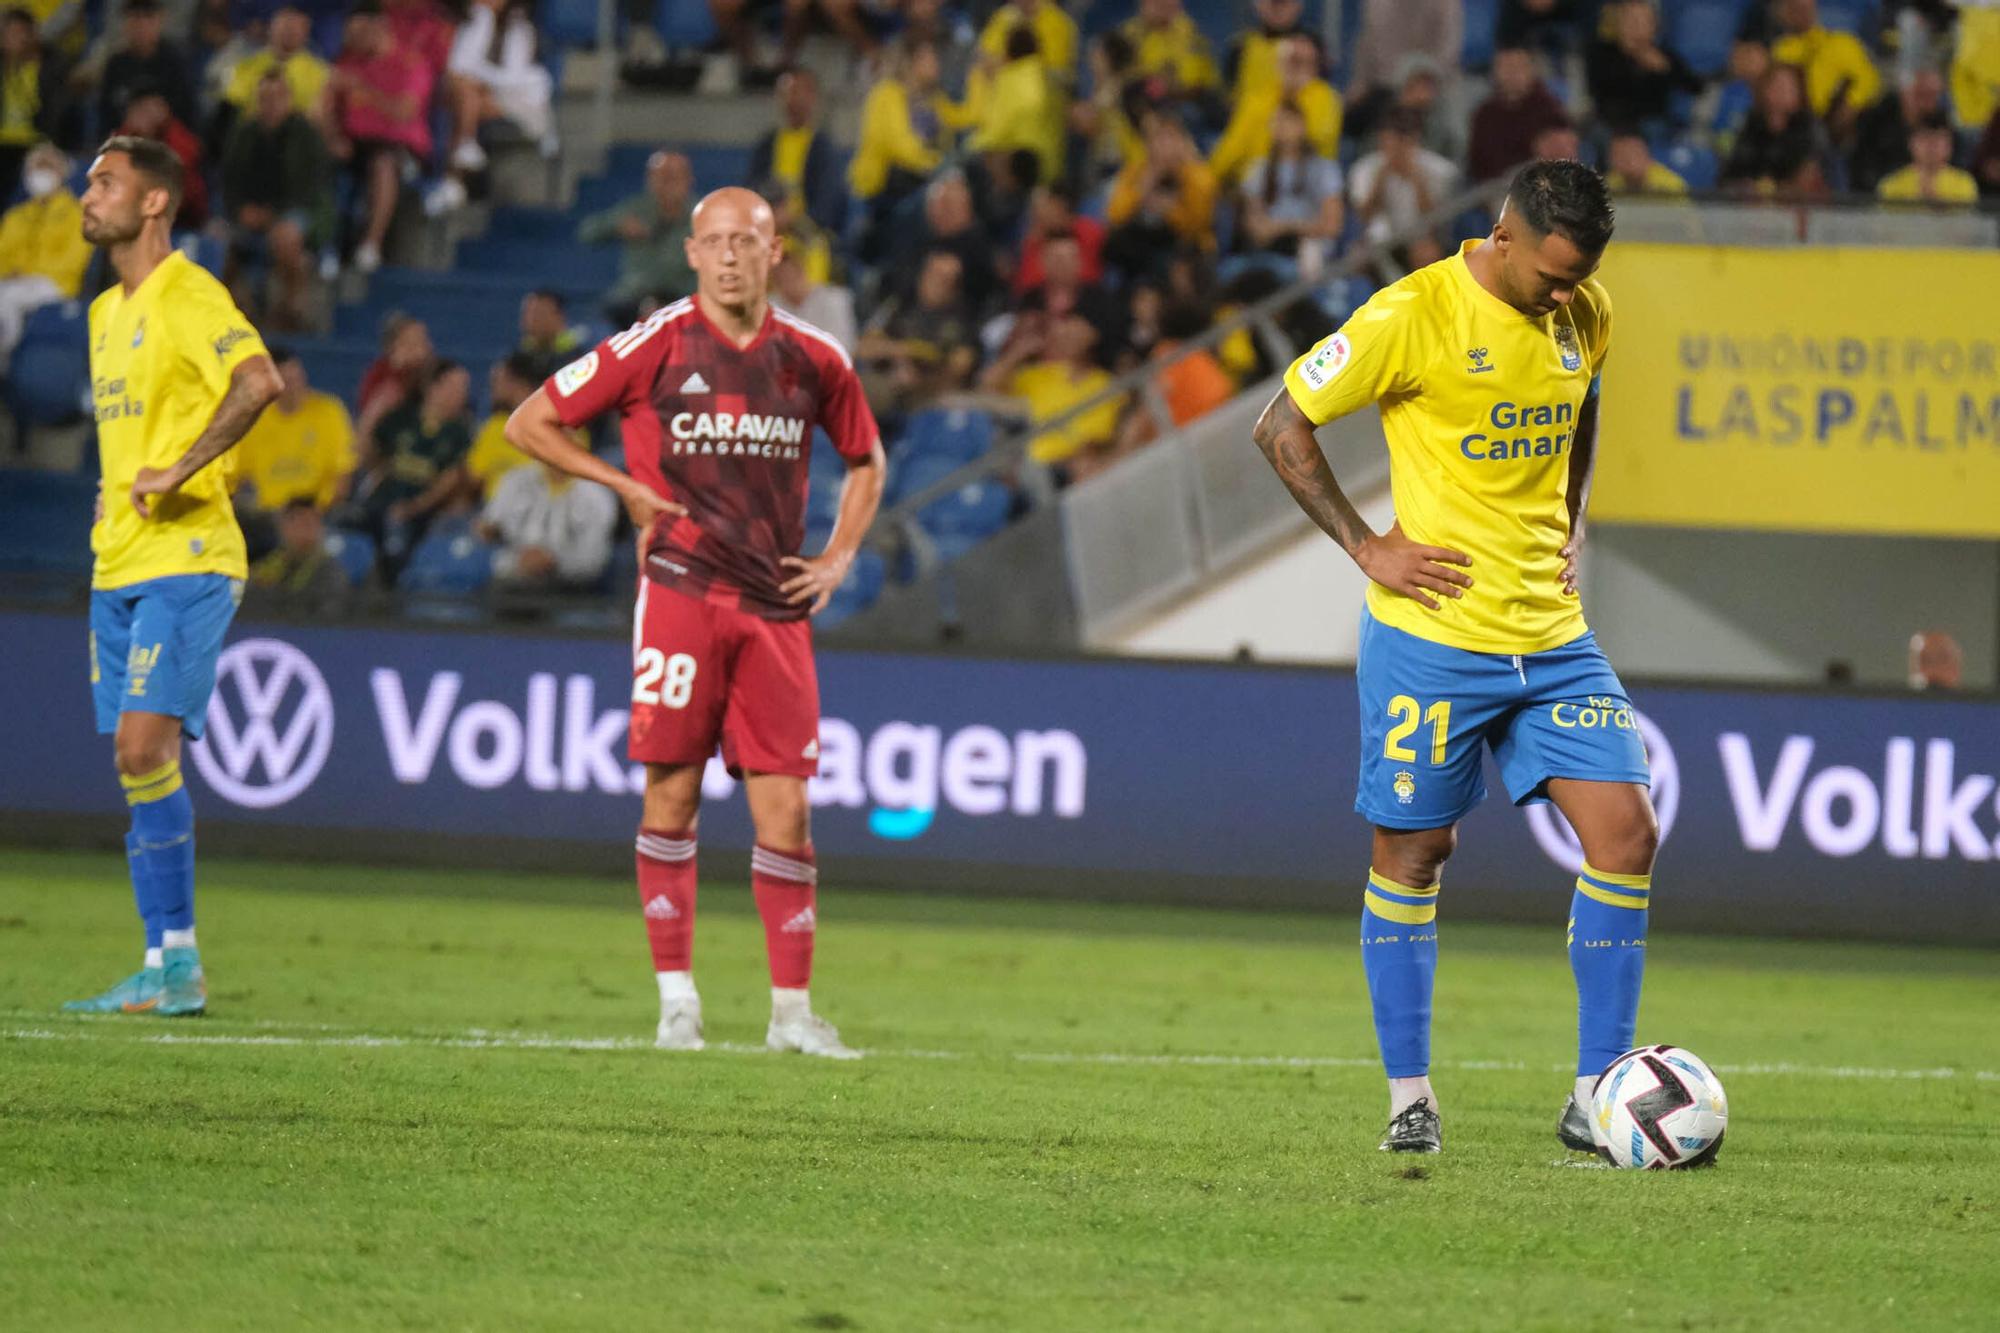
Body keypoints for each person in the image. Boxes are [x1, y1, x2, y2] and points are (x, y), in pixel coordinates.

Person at [1249, 160, 1654, 1156]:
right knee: (1414, 853)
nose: (1564, 295)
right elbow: (1279, 424)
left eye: (1577, 280)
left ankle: (1595, 1090)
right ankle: (1409, 1097)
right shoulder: (1409, 314)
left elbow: (1583, 400)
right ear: (1501, 236)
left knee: (1625, 833)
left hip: (1550, 637)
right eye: (1550, 275)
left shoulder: (1583, 310)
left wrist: (1574, 512)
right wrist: (1366, 545)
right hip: (1430, 641)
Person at [504, 186, 887, 1057]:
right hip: (680, 595)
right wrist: (622, 488)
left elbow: (866, 459)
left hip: (776, 607)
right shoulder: (657, 342)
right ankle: (677, 1001)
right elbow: (531, 422)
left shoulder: (813, 356)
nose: (727, 256)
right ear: (689, 252)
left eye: (744, 241)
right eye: (712, 241)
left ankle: (792, 1015)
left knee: (786, 813)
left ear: (772, 250)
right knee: (671, 795)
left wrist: (837, 558)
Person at [67, 134, 282, 1017]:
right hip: (116, 560)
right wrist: (110, 498)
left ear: (155, 202)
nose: (88, 195)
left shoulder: (191, 292)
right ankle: (163, 961)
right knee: (138, 765)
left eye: (106, 183)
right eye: (89, 182)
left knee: (140, 747)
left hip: (190, 558)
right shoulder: (102, 313)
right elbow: (128, 439)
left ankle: (180, 962)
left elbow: (259, 380)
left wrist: (180, 471)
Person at [322, 2, 435, 274]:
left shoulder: (411, 63)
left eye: (360, 34)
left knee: (383, 163)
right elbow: (325, 108)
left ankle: (371, 245)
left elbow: (404, 112)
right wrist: (333, 137)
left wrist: (363, 89)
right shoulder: (347, 62)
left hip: (400, 147)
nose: (354, 41)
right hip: (354, 144)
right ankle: (324, 248)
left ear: (379, 28)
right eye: (351, 35)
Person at [219, 67, 332, 329]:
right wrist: (240, 210)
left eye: (277, 97)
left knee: (286, 237)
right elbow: (229, 181)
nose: (270, 105)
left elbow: (310, 188)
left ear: (288, 99)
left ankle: (290, 309)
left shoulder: (307, 135)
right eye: (264, 98)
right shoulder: (244, 134)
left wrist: (271, 214)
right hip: (246, 213)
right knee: (216, 240)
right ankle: (236, 312)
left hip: (297, 211)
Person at [338, 358, 473, 573]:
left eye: (463, 388)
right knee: (343, 527)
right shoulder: (402, 418)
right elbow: (368, 456)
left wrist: (413, 508)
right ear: (432, 387)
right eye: (454, 386)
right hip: (380, 502)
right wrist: (374, 412)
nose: (461, 394)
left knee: (396, 541)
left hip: (422, 515)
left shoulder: (460, 432)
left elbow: (449, 481)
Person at [1207, 32, 1340, 190]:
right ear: (1279, 62)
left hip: (1305, 187)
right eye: (1291, 60)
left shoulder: (1326, 98)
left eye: (1303, 62)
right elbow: (1231, 148)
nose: (1295, 68)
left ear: (1317, 66)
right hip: (1253, 186)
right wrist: (1209, 177)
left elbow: (1310, 143)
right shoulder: (1257, 98)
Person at [577, 148, 695, 324]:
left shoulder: (702, 215)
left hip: (681, 298)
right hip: (633, 298)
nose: (666, 185)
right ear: (649, 180)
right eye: (660, 178)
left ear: (688, 180)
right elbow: (586, 232)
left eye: (673, 178)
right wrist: (617, 226)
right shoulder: (637, 209)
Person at [857, 247, 980, 413]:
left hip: (930, 392)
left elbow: (960, 366)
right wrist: (900, 352)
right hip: (889, 380)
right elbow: (863, 348)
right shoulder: (900, 304)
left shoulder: (962, 319)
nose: (932, 281)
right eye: (930, 273)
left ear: (954, 286)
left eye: (943, 278)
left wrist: (921, 372)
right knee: (855, 385)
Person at [0, 141, 90, 365]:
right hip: (14, 282)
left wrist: (28, 272)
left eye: (47, 167)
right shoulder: (16, 216)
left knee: (6, 299)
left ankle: (5, 364)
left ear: (61, 173)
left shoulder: (76, 214)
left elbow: (73, 260)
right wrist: (9, 272)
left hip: (56, 283)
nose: (41, 173)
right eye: (36, 168)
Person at [234, 345, 353, 515]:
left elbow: (344, 474)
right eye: (287, 381)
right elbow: (235, 477)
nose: (295, 387)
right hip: (269, 515)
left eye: (297, 378)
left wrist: (318, 512)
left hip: (318, 514)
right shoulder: (255, 419)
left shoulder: (329, 411)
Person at [477, 457, 619, 589]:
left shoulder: (596, 493)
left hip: (572, 590)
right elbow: (486, 528)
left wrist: (554, 560)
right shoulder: (516, 480)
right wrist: (516, 558)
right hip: (511, 584)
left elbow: (595, 559)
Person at [1237, 101, 1345, 276]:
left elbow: (1332, 225)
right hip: (1270, 245)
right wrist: (1263, 229)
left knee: (1308, 254)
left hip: (1308, 244)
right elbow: (1252, 217)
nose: (1281, 127)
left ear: (1301, 126)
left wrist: (1284, 226)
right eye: (1276, 121)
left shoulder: (1323, 169)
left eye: (1288, 121)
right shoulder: (1259, 169)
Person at [1349, 108, 1459, 275]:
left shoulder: (1439, 169)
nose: (1394, 149)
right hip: (1379, 236)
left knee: (1427, 253)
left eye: (1401, 142)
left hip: (1422, 236)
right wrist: (1380, 180)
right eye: (1388, 142)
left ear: (1414, 140)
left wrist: (1417, 181)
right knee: (1359, 256)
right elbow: (1364, 217)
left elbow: (1438, 222)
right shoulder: (1365, 168)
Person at [748, 66, 846, 238]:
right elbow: (751, 191)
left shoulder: (823, 148)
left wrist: (794, 221)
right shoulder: (766, 145)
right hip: (768, 234)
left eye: (799, 92)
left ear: (814, 97)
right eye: (788, 92)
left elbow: (826, 206)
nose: (793, 99)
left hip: (808, 240)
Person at [1586, 0, 1703, 134]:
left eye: (1641, 21)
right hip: (1611, 125)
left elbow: (1695, 87)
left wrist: (1666, 69)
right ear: (1619, 24)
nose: (1634, 26)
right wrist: (1633, 55)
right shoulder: (1601, 53)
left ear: (1654, 26)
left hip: (1654, 125)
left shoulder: (1664, 56)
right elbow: (1598, 91)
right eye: (1629, 20)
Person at [1721, 62, 1833, 197]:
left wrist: (1775, 191)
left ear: (1800, 94)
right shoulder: (1750, 125)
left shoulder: (1810, 129)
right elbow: (1731, 174)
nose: (1780, 94)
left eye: (1787, 88)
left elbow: (1808, 180)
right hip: (1750, 209)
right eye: (1775, 86)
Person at [1770, 0, 1881, 135]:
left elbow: (1869, 80)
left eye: (1807, 7)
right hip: (1803, 128)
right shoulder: (1781, 52)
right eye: (1795, 8)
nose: (1803, 13)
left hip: (1854, 123)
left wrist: (1851, 104)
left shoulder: (1842, 42)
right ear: (1783, 13)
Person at [2, 8, 78, 194]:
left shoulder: (51, 65)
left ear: (31, 35)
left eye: (18, 33)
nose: (11, 39)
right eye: (7, 33)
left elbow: (57, 113)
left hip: (37, 141)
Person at [1468, 46, 1570, 182]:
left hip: (1537, 184)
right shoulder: (1484, 113)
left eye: (1517, 67)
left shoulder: (1550, 109)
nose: (1511, 74)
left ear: (1531, 71)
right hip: (1490, 187)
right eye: (1505, 68)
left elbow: (1562, 157)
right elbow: (1476, 160)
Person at [94, 0, 195, 131]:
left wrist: (159, 114)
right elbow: (106, 118)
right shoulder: (116, 64)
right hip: (124, 141)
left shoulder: (175, 63)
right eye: (135, 17)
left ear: (160, 20)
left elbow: (189, 119)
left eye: (148, 17)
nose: (141, 25)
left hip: (166, 143)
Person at [243, 497, 349, 617]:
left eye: (312, 522)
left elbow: (330, 610)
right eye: (299, 522)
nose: (307, 529)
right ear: (283, 526)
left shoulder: (329, 570)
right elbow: (248, 598)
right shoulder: (270, 564)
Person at [1851, 67, 1949, 194]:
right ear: (1905, 93)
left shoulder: (1940, 123)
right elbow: (1863, 167)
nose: (1929, 103)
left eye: (1935, 95)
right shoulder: (1876, 120)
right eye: (1922, 95)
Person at [116, 88, 206, 226]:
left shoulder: (179, 138)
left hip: (181, 219)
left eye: (149, 108)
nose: (145, 116)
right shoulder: (124, 137)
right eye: (139, 109)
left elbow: (182, 188)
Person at [463, 351, 537, 498]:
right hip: (493, 515)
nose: (492, 390)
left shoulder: (561, 428)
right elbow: (473, 478)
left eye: (496, 381)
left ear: (515, 383)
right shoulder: (495, 426)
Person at [1877, 113, 1979, 204]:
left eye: (1938, 139)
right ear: (1911, 144)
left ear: (1950, 146)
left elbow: (1964, 223)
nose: (1931, 145)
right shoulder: (1891, 185)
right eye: (1924, 137)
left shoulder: (1965, 184)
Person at [770, 248, 856, 355]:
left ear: (802, 272)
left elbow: (842, 347)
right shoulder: (770, 306)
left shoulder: (834, 299)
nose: (786, 281)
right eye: (779, 278)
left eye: (790, 275)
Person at [516, 287, 583, 381]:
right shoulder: (519, 358)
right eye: (527, 313)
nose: (531, 321)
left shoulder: (579, 356)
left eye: (539, 314)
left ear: (559, 317)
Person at [1604, 129, 1687, 195]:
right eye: (1618, 155)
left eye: (1633, 154)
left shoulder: (1671, 186)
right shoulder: (1610, 184)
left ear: (1647, 157)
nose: (1627, 161)